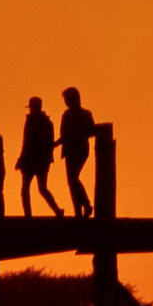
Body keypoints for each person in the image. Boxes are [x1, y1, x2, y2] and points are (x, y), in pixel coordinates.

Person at [15, 96, 64, 217]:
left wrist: (21, 159)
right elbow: (49, 143)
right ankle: (57, 210)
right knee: (42, 188)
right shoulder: (48, 123)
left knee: (25, 189)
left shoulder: (30, 122)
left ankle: (28, 215)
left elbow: (26, 142)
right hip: (43, 160)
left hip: (30, 160)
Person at [56, 86, 94, 218]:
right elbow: (91, 131)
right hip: (80, 149)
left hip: (74, 150)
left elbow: (64, 135)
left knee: (72, 180)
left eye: (66, 99)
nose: (65, 102)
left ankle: (85, 206)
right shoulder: (86, 114)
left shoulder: (67, 115)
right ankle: (80, 209)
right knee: (73, 180)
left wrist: (54, 144)